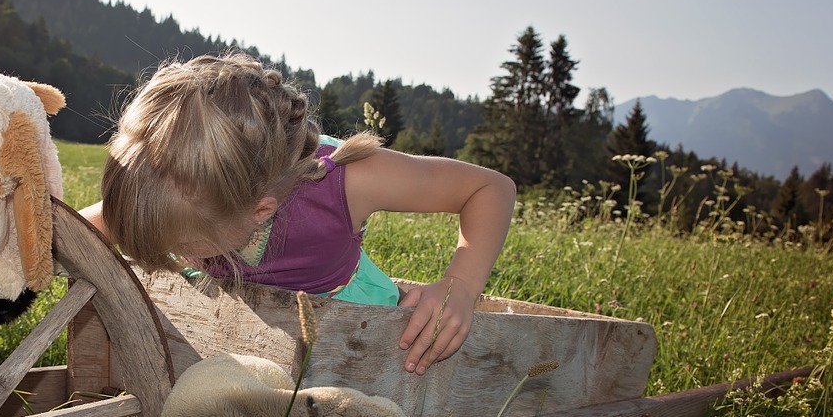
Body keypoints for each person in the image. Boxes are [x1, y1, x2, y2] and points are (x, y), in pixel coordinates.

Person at [78, 51, 516, 375]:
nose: (172, 252)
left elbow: (489, 188)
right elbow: (80, 230)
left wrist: (460, 285)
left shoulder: (345, 179)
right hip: (232, 347)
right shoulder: (167, 189)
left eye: (180, 245)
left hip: (355, 344)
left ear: (259, 211)